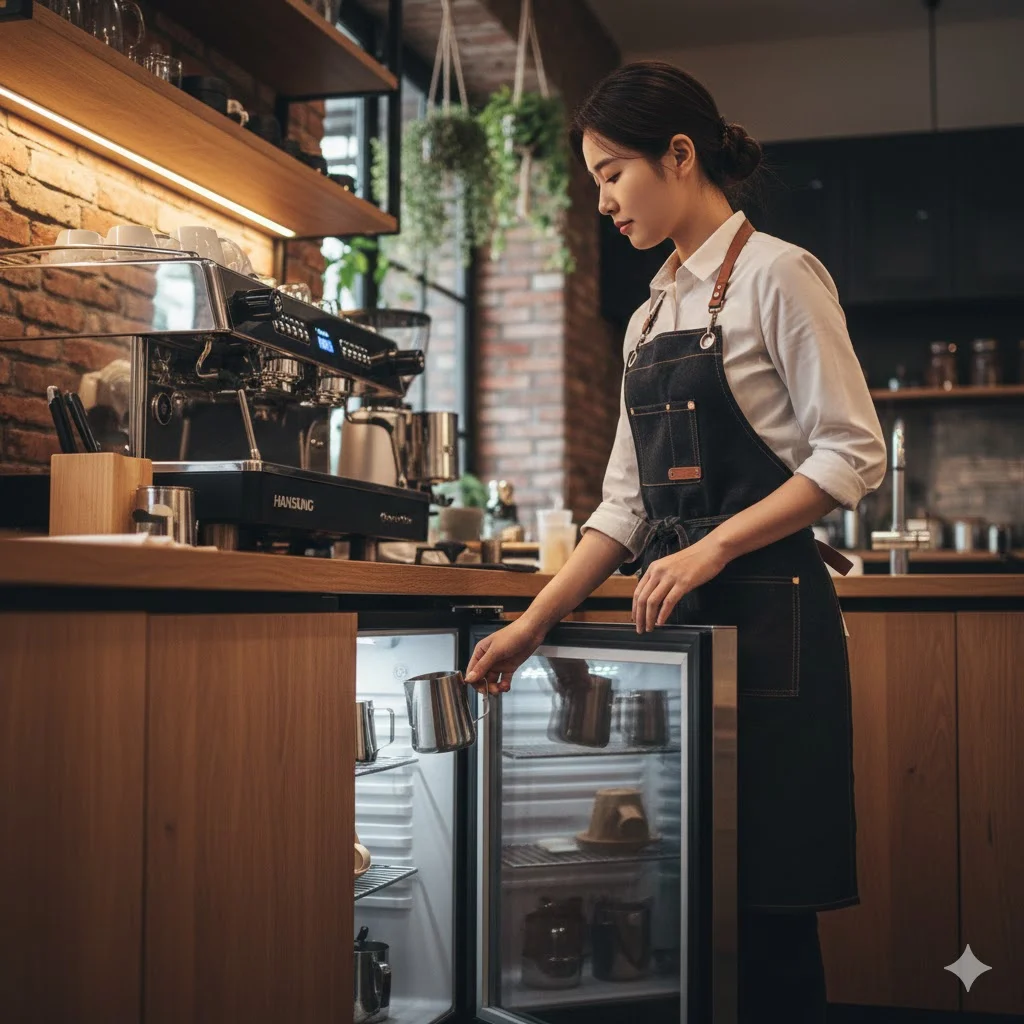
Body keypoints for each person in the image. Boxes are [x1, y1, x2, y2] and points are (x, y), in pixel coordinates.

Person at [465, 61, 886, 1022]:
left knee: (770, 903)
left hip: (774, 624)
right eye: (595, 181)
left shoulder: (779, 275)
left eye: (613, 173)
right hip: (684, 635)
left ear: (680, 155)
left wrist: (711, 548)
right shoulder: (649, 314)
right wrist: (533, 623)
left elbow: (854, 454)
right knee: (692, 892)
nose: (603, 199)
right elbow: (623, 507)